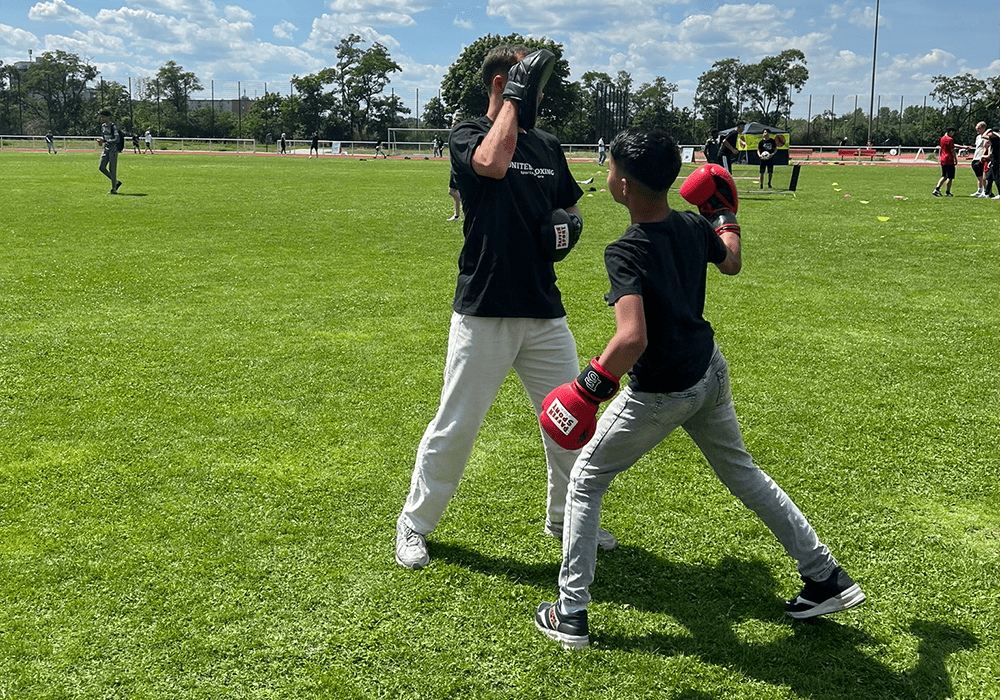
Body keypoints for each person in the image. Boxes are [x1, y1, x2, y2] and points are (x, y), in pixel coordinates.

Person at [534, 129, 865, 650]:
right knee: (743, 473)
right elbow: (730, 259)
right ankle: (825, 576)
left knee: (584, 480)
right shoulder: (691, 225)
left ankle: (570, 612)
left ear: (620, 183)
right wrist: (725, 216)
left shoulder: (625, 250)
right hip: (708, 373)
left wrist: (588, 388)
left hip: (661, 391)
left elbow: (632, 336)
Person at [395, 43, 618, 570]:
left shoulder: (545, 145)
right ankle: (414, 522)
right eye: (532, 89)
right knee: (457, 424)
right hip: (484, 306)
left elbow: (567, 205)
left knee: (570, 422)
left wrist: (567, 226)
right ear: (504, 85)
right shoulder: (469, 134)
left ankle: (565, 517)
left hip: (544, 309)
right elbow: (491, 165)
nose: (540, 98)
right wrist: (516, 97)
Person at [96, 108, 122, 195]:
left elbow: (116, 139)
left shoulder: (113, 126)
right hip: (106, 149)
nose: (101, 119)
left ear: (108, 117)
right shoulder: (103, 126)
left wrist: (105, 141)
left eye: (103, 117)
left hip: (113, 150)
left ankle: (114, 189)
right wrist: (101, 140)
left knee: (112, 169)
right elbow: (105, 137)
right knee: (102, 167)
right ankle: (116, 182)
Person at [932, 126, 960, 197]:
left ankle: (937, 189)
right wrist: (955, 159)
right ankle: (947, 192)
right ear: (950, 132)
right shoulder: (950, 139)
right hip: (949, 159)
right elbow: (952, 150)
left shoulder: (942, 139)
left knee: (944, 175)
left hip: (943, 159)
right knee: (949, 177)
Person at [970, 122, 988, 197]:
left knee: (983, 176)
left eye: (978, 127)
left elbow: (986, 147)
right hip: (976, 157)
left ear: (983, 128)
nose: (976, 129)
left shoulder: (986, 137)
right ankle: (979, 190)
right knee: (978, 176)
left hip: (981, 158)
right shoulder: (978, 137)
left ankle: (985, 190)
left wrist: (983, 157)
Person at [983, 126, 1000, 199]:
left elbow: (984, 136)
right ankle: (987, 193)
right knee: (989, 177)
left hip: (996, 160)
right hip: (994, 160)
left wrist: (988, 130)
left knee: (997, 177)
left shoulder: (995, 138)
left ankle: (999, 193)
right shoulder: (997, 138)